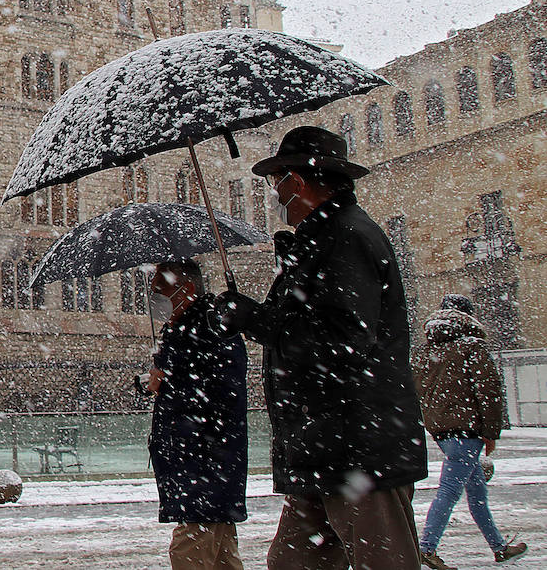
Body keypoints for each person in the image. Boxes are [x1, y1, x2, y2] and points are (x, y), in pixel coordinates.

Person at [218, 126, 427, 569]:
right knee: (293, 563)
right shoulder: (324, 239)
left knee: (380, 560)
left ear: (296, 183)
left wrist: (256, 320)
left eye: (278, 185)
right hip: (325, 445)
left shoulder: (346, 238)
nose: (276, 197)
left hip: (356, 448)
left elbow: (342, 343)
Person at [146, 257, 249, 569]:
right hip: (200, 467)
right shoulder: (186, 329)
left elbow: (216, 395)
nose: (156, 301)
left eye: (161, 291)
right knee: (220, 556)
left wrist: (168, 378)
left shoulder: (205, 328)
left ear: (187, 289)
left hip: (204, 466)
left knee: (190, 553)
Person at [412, 293, 527, 567]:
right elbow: (488, 391)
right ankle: (426, 548)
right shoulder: (473, 347)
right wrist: (490, 431)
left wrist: (433, 421)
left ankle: (499, 547)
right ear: (469, 317)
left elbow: (417, 390)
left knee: (476, 493)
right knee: (450, 490)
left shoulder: (425, 350)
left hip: (442, 431)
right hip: (467, 430)